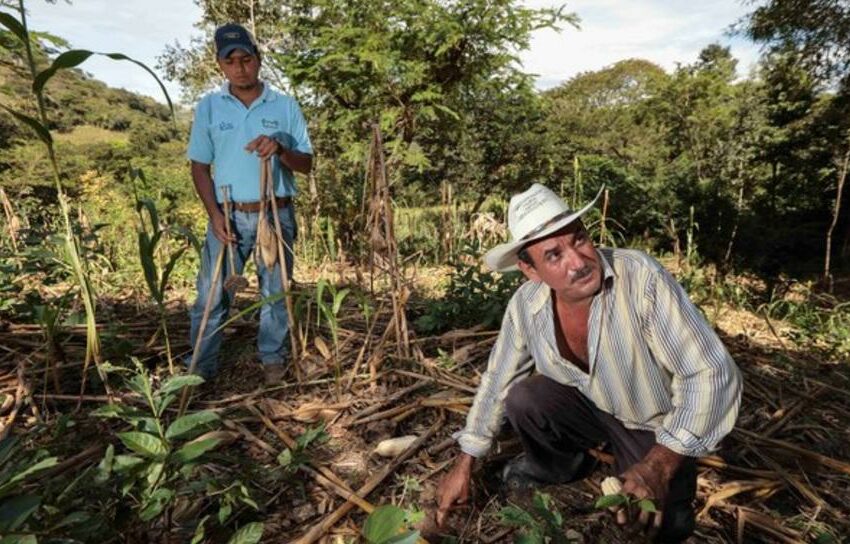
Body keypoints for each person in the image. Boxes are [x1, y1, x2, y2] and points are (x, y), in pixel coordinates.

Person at [435, 184, 742, 542]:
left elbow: (710, 372)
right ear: (530, 270)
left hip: (649, 423)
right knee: (524, 398)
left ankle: (649, 475)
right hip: (588, 407)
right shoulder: (526, 305)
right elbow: (497, 380)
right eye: (554, 256)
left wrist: (659, 465)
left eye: (579, 240)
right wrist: (465, 463)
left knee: (658, 524)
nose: (578, 263)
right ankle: (558, 466)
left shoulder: (639, 278)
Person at [186, 23, 313, 384]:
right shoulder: (209, 107)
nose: (240, 67)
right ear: (220, 65)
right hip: (227, 214)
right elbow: (199, 166)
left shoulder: (285, 106)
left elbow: (306, 165)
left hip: (275, 213)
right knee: (210, 297)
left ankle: (273, 360)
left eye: (246, 58)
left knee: (276, 293)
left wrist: (281, 149)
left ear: (258, 60)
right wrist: (214, 215)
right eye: (231, 61)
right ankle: (199, 371)